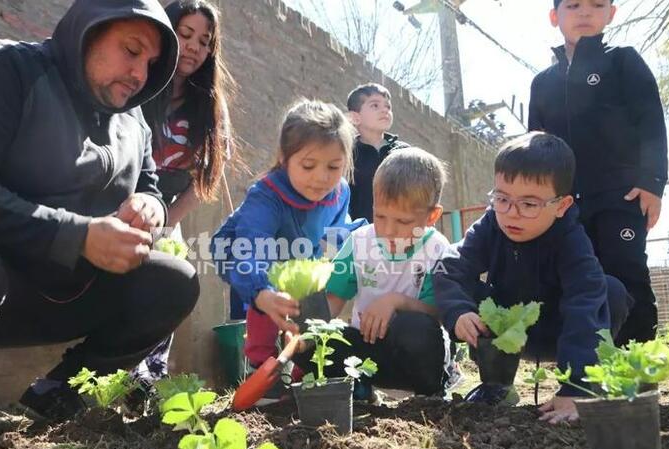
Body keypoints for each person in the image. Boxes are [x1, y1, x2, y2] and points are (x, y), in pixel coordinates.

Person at [0, 0, 200, 444]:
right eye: (131, 50)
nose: (141, 74)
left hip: (71, 291)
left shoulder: (133, 120)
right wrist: (76, 236)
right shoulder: (3, 68)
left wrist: (151, 207)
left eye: (151, 63)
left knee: (175, 281)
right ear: (88, 31)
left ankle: (56, 396)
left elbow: (152, 186)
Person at [434, 132, 631, 424]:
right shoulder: (492, 224)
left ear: (561, 206)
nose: (512, 214)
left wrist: (575, 384)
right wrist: (458, 311)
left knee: (608, 291)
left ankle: (587, 387)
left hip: (555, 331)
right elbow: (450, 266)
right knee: (467, 293)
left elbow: (584, 305)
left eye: (529, 204)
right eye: (502, 199)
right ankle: (496, 387)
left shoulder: (571, 241)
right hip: (505, 331)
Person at [528, 0, 668, 345]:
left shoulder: (623, 61)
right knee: (577, 279)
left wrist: (652, 182)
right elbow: (535, 148)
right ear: (554, 17)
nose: (585, 12)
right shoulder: (542, 83)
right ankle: (585, 367)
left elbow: (651, 122)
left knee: (626, 272)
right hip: (565, 205)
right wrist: (537, 201)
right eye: (573, 5)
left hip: (621, 195)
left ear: (611, 13)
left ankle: (636, 371)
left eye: (596, 4)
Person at [210, 99, 364, 376]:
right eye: (308, 166)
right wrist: (261, 292)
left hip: (299, 253)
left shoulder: (340, 192)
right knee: (267, 301)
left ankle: (305, 372)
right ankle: (261, 367)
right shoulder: (266, 196)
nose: (321, 178)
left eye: (333, 167)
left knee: (311, 302)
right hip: (243, 252)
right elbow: (251, 249)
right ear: (284, 157)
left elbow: (333, 235)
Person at [131, 0, 235, 391]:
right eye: (185, 34)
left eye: (204, 41)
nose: (193, 47)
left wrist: (167, 223)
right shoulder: (138, 83)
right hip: (121, 203)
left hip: (168, 213)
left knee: (169, 288)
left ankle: (146, 385)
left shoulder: (209, 104)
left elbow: (208, 177)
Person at [321, 147, 454, 399]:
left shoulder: (436, 249)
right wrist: (308, 329)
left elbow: (436, 314)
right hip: (365, 355)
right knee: (316, 337)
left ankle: (430, 395)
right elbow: (332, 300)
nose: (388, 230)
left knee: (415, 327)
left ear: (432, 215)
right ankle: (359, 390)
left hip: (414, 358)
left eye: (403, 222)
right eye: (380, 216)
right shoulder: (359, 242)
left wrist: (395, 301)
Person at [346, 83, 410, 223]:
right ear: (355, 117)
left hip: (402, 234)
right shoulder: (346, 155)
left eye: (388, 106)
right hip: (359, 236)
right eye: (375, 105)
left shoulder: (405, 152)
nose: (384, 110)